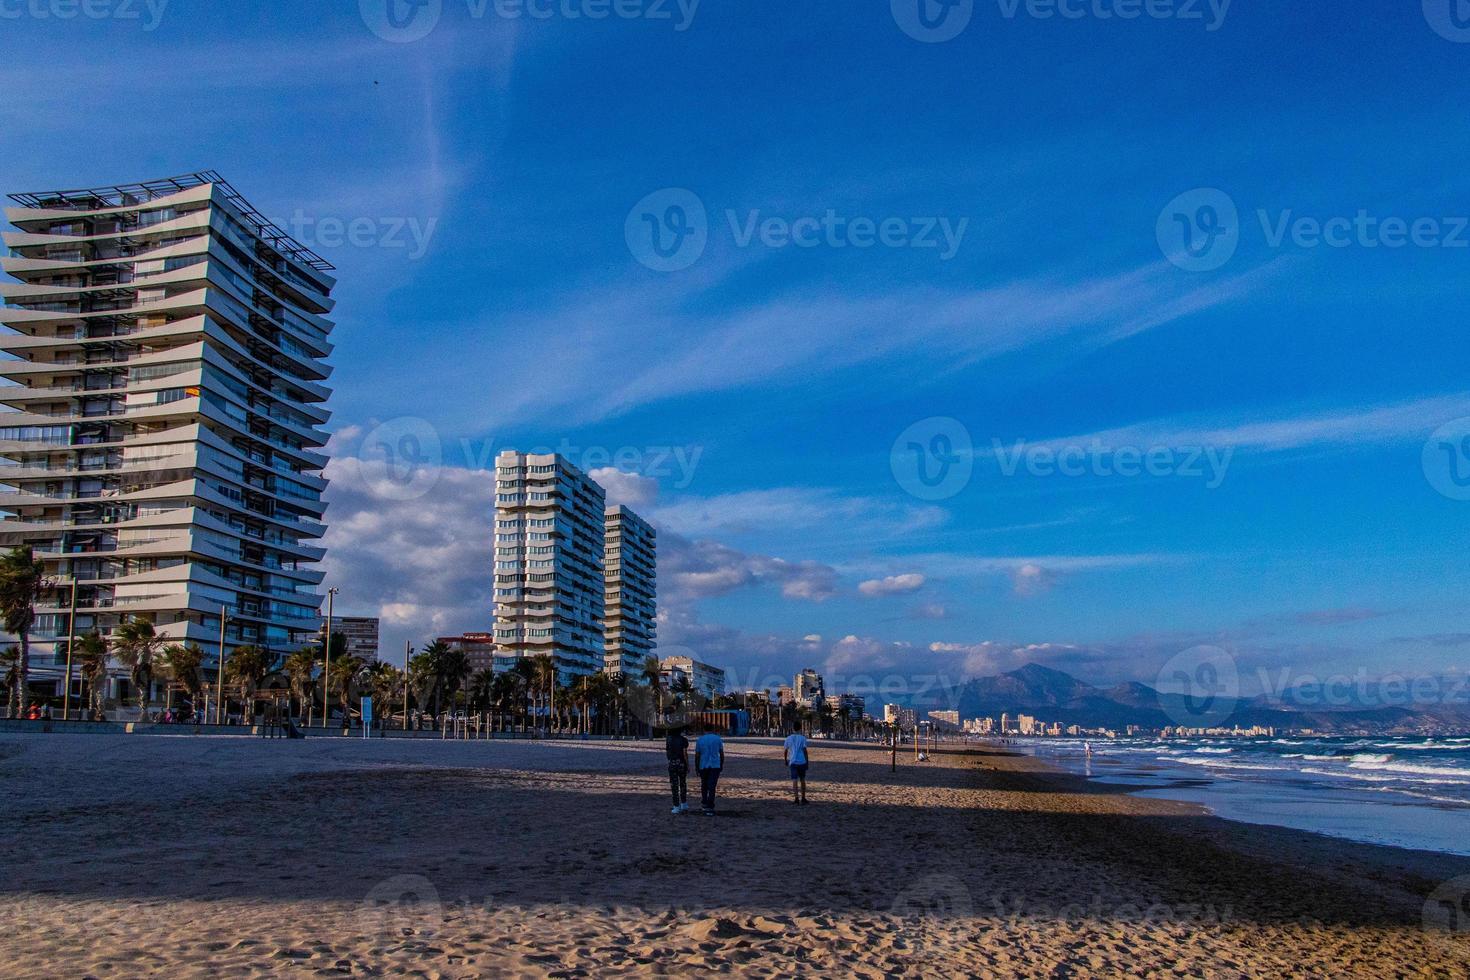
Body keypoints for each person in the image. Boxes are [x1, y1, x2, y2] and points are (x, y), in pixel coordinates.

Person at [694, 722, 725, 816]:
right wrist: (721, 764)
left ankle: (704, 802)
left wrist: (696, 766)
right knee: (712, 786)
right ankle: (710, 805)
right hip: (715, 765)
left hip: (703, 764)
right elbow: (721, 753)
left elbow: (697, 755)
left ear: (704, 730)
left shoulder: (700, 740)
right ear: (713, 729)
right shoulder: (718, 739)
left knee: (704, 784)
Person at [784, 720, 811, 805]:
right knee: (802, 779)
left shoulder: (788, 738)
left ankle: (796, 798)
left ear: (793, 728)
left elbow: (785, 750)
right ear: (800, 728)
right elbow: (805, 751)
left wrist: (785, 760)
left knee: (794, 780)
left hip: (793, 761)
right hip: (802, 761)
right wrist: (807, 762)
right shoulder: (803, 738)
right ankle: (803, 798)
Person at [665, 724, 690, 814]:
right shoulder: (683, 740)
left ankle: (676, 806)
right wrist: (688, 765)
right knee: (683, 783)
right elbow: (685, 754)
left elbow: (667, 752)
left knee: (674, 785)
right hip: (681, 763)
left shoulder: (669, 739)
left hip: (672, 763)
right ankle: (684, 803)